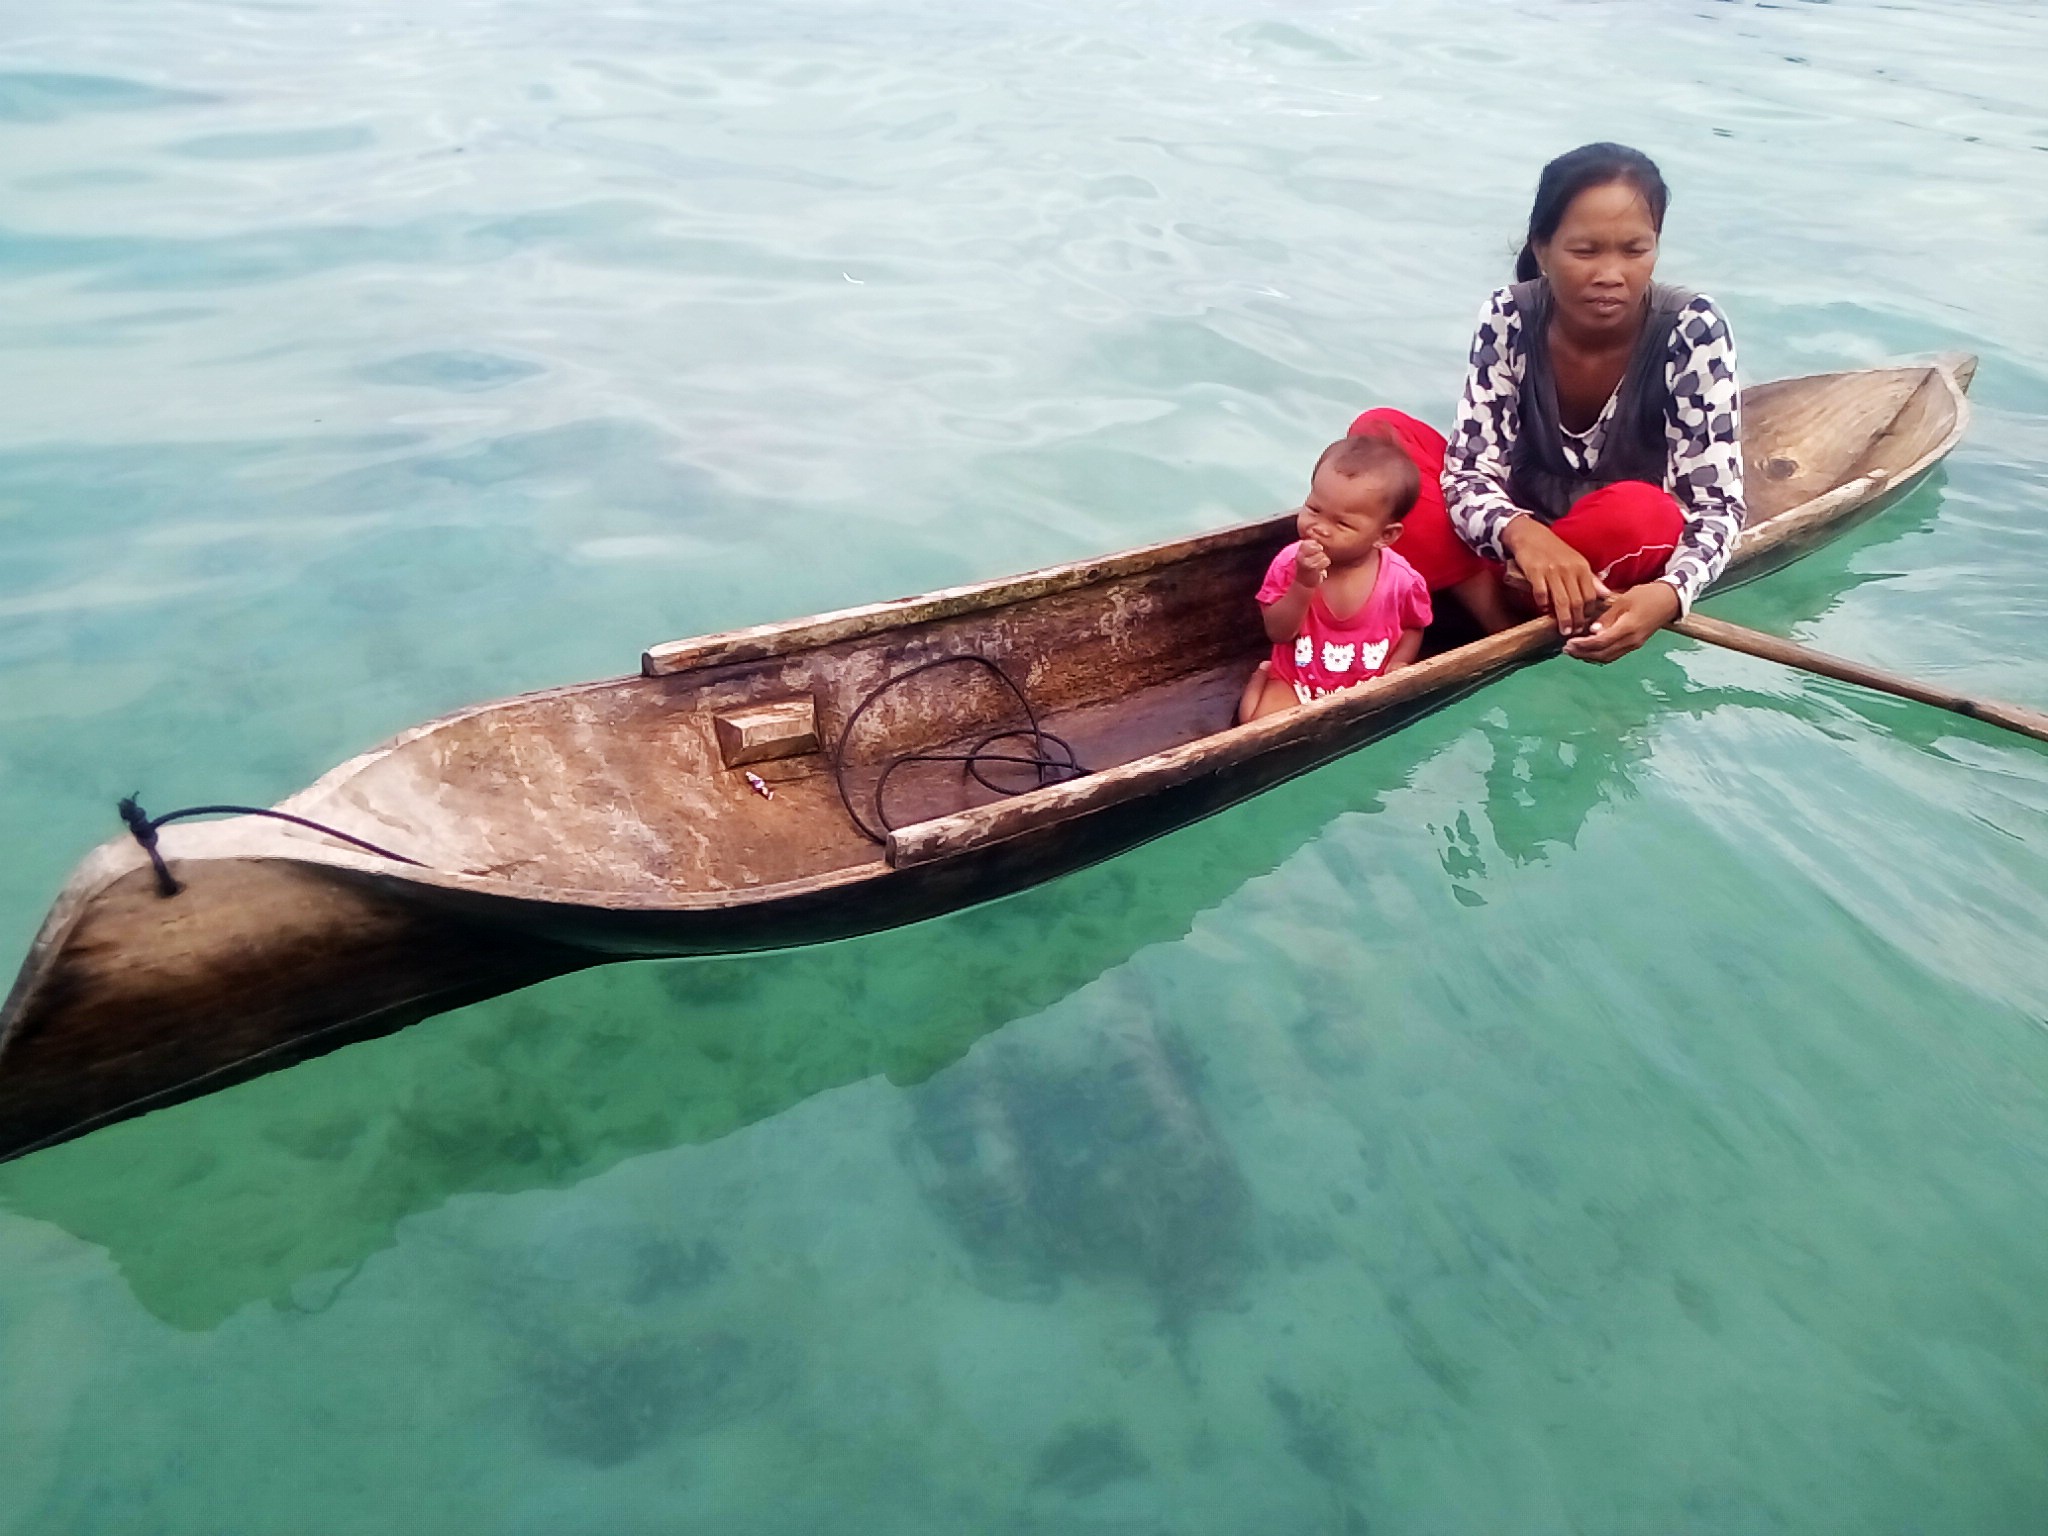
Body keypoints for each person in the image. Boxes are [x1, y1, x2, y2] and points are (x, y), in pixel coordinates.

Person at [1352, 143, 1746, 664]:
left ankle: (1500, 603)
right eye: (1585, 251)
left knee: (1643, 515)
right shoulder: (1508, 315)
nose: (1612, 273)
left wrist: (1670, 595)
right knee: (1379, 434)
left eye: (1635, 250)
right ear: (1542, 249)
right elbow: (1470, 472)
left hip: (1608, 548)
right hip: (1509, 547)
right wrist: (1523, 534)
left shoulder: (1692, 327)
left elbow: (1717, 506)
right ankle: (1499, 618)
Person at [1238, 434, 1433, 723]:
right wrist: (1303, 583)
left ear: (1385, 535)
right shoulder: (1290, 564)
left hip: (1365, 687)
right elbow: (1278, 633)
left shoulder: (1402, 581)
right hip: (1297, 681)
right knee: (1254, 727)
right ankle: (1262, 677)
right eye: (1314, 509)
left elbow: (1414, 626)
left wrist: (1399, 663)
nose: (1319, 528)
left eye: (1341, 523)